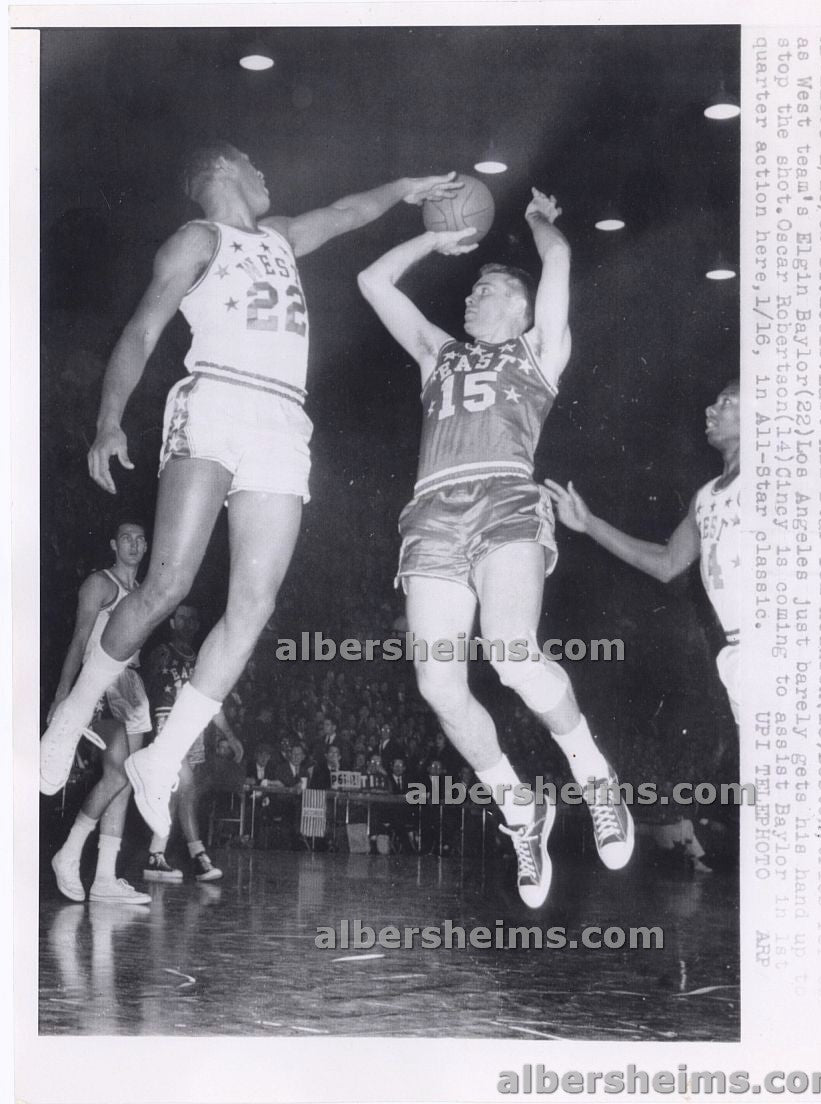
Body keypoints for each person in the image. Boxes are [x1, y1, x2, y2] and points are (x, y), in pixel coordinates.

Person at [39, 140, 462, 838]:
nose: (269, 174)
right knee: (167, 585)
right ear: (222, 169)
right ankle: (72, 715)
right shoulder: (196, 239)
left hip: (281, 415)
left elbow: (349, 211)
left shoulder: (281, 236)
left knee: (255, 605)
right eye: (256, 167)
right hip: (215, 399)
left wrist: (406, 186)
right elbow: (143, 331)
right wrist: (109, 421)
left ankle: (163, 759)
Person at [358, 189, 633, 908]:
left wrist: (539, 217)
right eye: (474, 286)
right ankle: (519, 808)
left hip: (505, 496)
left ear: (521, 308)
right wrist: (435, 240)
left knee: (511, 651)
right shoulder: (437, 353)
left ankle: (593, 774)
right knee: (438, 685)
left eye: (492, 287)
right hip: (432, 514)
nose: (475, 293)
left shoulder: (541, 352)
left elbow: (562, 255)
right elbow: (372, 282)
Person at [546, 379, 741, 724]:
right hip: (738, 653)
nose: (710, 409)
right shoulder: (706, 496)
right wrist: (589, 523)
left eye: (727, 402)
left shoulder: (776, 481)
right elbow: (667, 563)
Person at [46, 520, 152, 904]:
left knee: (127, 779)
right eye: (127, 538)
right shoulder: (100, 583)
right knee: (118, 770)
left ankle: (105, 878)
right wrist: (63, 696)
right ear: (113, 544)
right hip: (99, 681)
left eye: (141, 539)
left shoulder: (143, 591)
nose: (134, 545)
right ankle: (69, 854)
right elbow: (78, 639)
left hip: (132, 685)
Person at [141, 603, 232, 882]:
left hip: (194, 728)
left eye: (193, 619)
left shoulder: (200, 658)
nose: (187, 624)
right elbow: (145, 687)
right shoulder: (162, 652)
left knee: (178, 794)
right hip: (166, 723)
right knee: (187, 784)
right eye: (182, 618)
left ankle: (156, 856)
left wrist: (230, 735)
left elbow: (212, 701)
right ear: (172, 622)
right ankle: (198, 856)